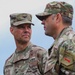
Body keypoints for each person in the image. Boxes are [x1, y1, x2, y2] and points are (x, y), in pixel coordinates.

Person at [36, 1, 75, 75]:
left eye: (45, 18)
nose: (42, 22)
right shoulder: (61, 43)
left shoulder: (68, 43)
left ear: (57, 17)